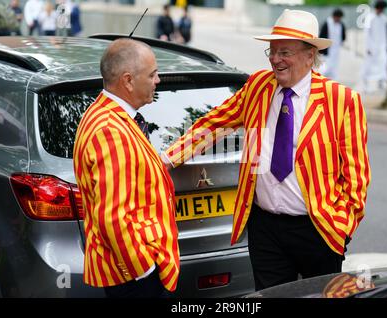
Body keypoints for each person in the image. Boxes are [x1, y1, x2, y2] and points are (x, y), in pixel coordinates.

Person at [163, 9, 370, 291]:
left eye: (284, 51)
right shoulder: (258, 86)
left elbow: (356, 176)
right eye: (271, 51)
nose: (275, 59)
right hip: (265, 229)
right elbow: (214, 125)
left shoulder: (341, 100)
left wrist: (343, 228)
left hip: (318, 229)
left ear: (310, 56)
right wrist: (166, 158)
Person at [73, 39, 180, 298]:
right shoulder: (110, 129)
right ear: (128, 80)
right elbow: (111, 216)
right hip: (135, 278)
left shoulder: (107, 114)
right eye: (153, 74)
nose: (158, 80)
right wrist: (143, 271)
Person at [361, 0, 387, 92]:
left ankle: (381, 83)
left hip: (381, 46)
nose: (382, 10)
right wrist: (368, 47)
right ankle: (365, 85)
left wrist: (385, 45)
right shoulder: (369, 18)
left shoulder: (384, 18)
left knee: (384, 63)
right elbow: (366, 33)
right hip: (371, 47)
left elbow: (384, 33)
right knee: (368, 66)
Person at [319, 8, 346, 80]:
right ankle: (322, 80)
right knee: (326, 68)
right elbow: (321, 36)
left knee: (335, 67)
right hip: (327, 50)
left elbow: (343, 36)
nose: (338, 19)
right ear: (334, 16)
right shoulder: (327, 23)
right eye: (337, 17)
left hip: (336, 50)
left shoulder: (341, 24)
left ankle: (332, 83)